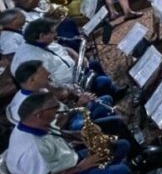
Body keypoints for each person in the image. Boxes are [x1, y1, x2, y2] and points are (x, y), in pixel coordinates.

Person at [5, 91, 131, 174]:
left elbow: (55, 135)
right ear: (39, 114)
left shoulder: (33, 123)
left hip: (67, 162)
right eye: (54, 109)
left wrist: (78, 136)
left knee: (122, 146)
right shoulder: (31, 149)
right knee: (123, 172)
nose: (58, 112)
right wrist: (80, 168)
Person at [9, 61, 140, 155]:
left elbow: (61, 100)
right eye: (44, 73)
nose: (48, 73)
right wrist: (79, 105)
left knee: (105, 100)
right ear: (32, 79)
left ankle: (118, 137)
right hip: (68, 129)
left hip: (71, 114)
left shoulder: (39, 89)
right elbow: (57, 128)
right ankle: (136, 154)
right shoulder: (27, 106)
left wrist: (76, 96)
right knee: (114, 119)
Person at [12, 19, 127, 99]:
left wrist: (77, 56)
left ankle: (113, 91)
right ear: (41, 36)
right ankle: (104, 100)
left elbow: (64, 49)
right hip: (70, 85)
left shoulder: (38, 42)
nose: (56, 34)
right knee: (103, 82)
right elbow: (48, 84)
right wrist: (73, 91)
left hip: (76, 71)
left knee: (95, 64)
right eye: (52, 32)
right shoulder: (31, 58)